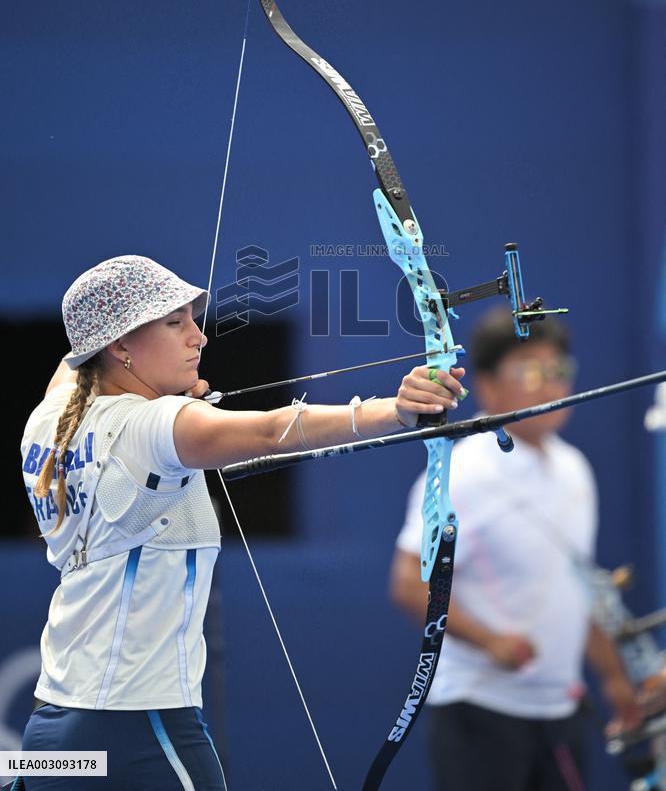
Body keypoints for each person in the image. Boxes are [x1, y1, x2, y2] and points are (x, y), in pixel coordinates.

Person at [17, 254, 464, 790]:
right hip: (142, 724)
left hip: (50, 730)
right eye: (174, 322)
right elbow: (270, 429)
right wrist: (395, 411)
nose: (198, 337)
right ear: (120, 345)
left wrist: (155, 382)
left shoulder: (48, 419)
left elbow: (73, 364)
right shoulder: (156, 426)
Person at [390, 307, 640, 791]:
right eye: (530, 371)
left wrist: (615, 679)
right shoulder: (460, 472)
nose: (551, 385)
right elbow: (407, 583)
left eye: (559, 371)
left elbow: (581, 585)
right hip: (478, 711)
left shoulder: (575, 469)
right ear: (486, 384)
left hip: (560, 710)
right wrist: (490, 641)